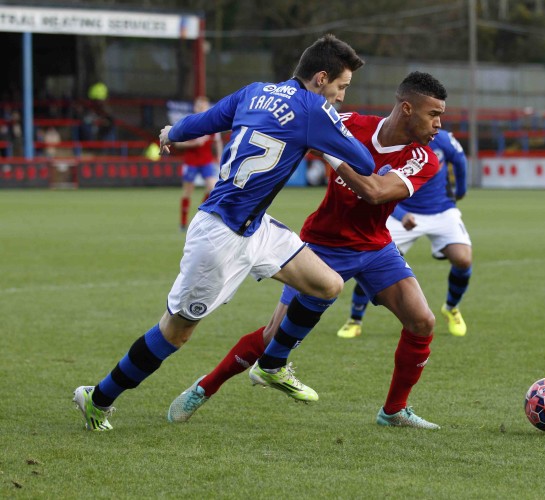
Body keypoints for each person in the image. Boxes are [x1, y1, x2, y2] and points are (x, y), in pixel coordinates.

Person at [72, 34, 375, 431]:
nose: (341, 97)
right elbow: (365, 161)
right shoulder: (315, 111)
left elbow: (206, 121)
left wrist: (170, 133)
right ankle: (99, 397)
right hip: (218, 238)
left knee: (327, 284)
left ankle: (271, 365)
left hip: (255, 227)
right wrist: (330, 134)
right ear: (320, 78)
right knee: (175, 333)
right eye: (341, 87)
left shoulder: (254, 92)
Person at [168, 71, 447, 430]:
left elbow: (375, 192)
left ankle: (393, 410)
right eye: (433, 114)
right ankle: (204, 388)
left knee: (422, 321)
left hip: (375, 247)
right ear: (407, 108)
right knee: (272, 336)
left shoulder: (424, 158)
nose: (439, 124)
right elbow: (289, 130)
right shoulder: (348, 123)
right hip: (322, 246)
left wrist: (332, 154)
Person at [337, 128, 472, 338]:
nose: (434, 123)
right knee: (372, 260)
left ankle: (451, 308)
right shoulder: (392, 144)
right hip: (402, 212)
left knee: (463, 259)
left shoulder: (443, 139)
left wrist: (460, 191)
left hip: (442, 211)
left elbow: (460, 160)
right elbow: (378, 190)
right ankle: (354, 319)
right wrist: (402, 214)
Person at [175, 96, 223, 231]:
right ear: (195, 107)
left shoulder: (213, 123)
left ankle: (200, 216)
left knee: (212, 189)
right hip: (191, 162)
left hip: (206, 161)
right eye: (199, 106)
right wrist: (194, 143)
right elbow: (177, 143)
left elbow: (217, 141)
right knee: (187, 192)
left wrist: (219, 156)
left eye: (204, 106)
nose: (201, 108)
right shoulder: (188, 123)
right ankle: (183, 223)